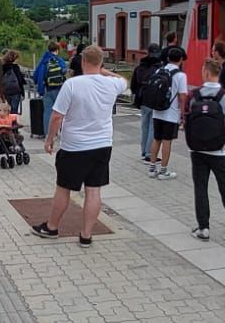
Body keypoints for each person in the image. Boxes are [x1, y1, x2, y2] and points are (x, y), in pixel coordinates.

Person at [32, 44, 126, 246]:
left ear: (83, 61)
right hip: (102, 144)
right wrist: (103, 71)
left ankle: (52, 227)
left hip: (74, 146)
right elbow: (124, 81)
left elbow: (57, 116)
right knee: (94, 190)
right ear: (101, 63)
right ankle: (86, 234)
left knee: (64, 188)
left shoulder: (73, 85)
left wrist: (50, 139)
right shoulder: (112, 84)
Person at [184, 56, 225, 239]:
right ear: (218, 73)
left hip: (197, 151)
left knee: (201, 188)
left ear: (206, 72)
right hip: (219, 151)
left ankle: (203, 229)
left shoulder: (193, 95)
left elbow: (186, 120)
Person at [146, 45, 186, 179]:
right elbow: (182, 97)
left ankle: (152, 169)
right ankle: (163, 171)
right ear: (181, 59)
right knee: (167, 141)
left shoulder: (159, 70)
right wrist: (183, 115)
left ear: (168, 58)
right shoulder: (180, 75)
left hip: (157, 111)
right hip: (171, 113)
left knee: (156, 139)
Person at [130, 48, 164, 162]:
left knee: (144, 127)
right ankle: (149, 154)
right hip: (153, 99)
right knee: (152, 128)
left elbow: (133, 84)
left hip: (141, 100)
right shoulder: (158, 68)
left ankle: (143, 151)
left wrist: (136, 94)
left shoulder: (139, 67)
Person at [33, 41, 68, 135]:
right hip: (59, 89)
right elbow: (64, 72)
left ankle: (48, 134)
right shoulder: (59, 60)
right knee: (60, 111)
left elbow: (35, 76)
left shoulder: (43, 61)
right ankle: (62, 132)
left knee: (48, 111)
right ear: (57, 50)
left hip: (47, 89)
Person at [0, 49, 26, 113]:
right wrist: (22, 93)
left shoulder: (3, 67)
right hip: (15, 92)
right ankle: (13, 122)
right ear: (14, 59)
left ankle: (8, 122)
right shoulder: (16, 67)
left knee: (8, 109)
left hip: (6, 91)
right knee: (14, 110)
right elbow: (20, 81)